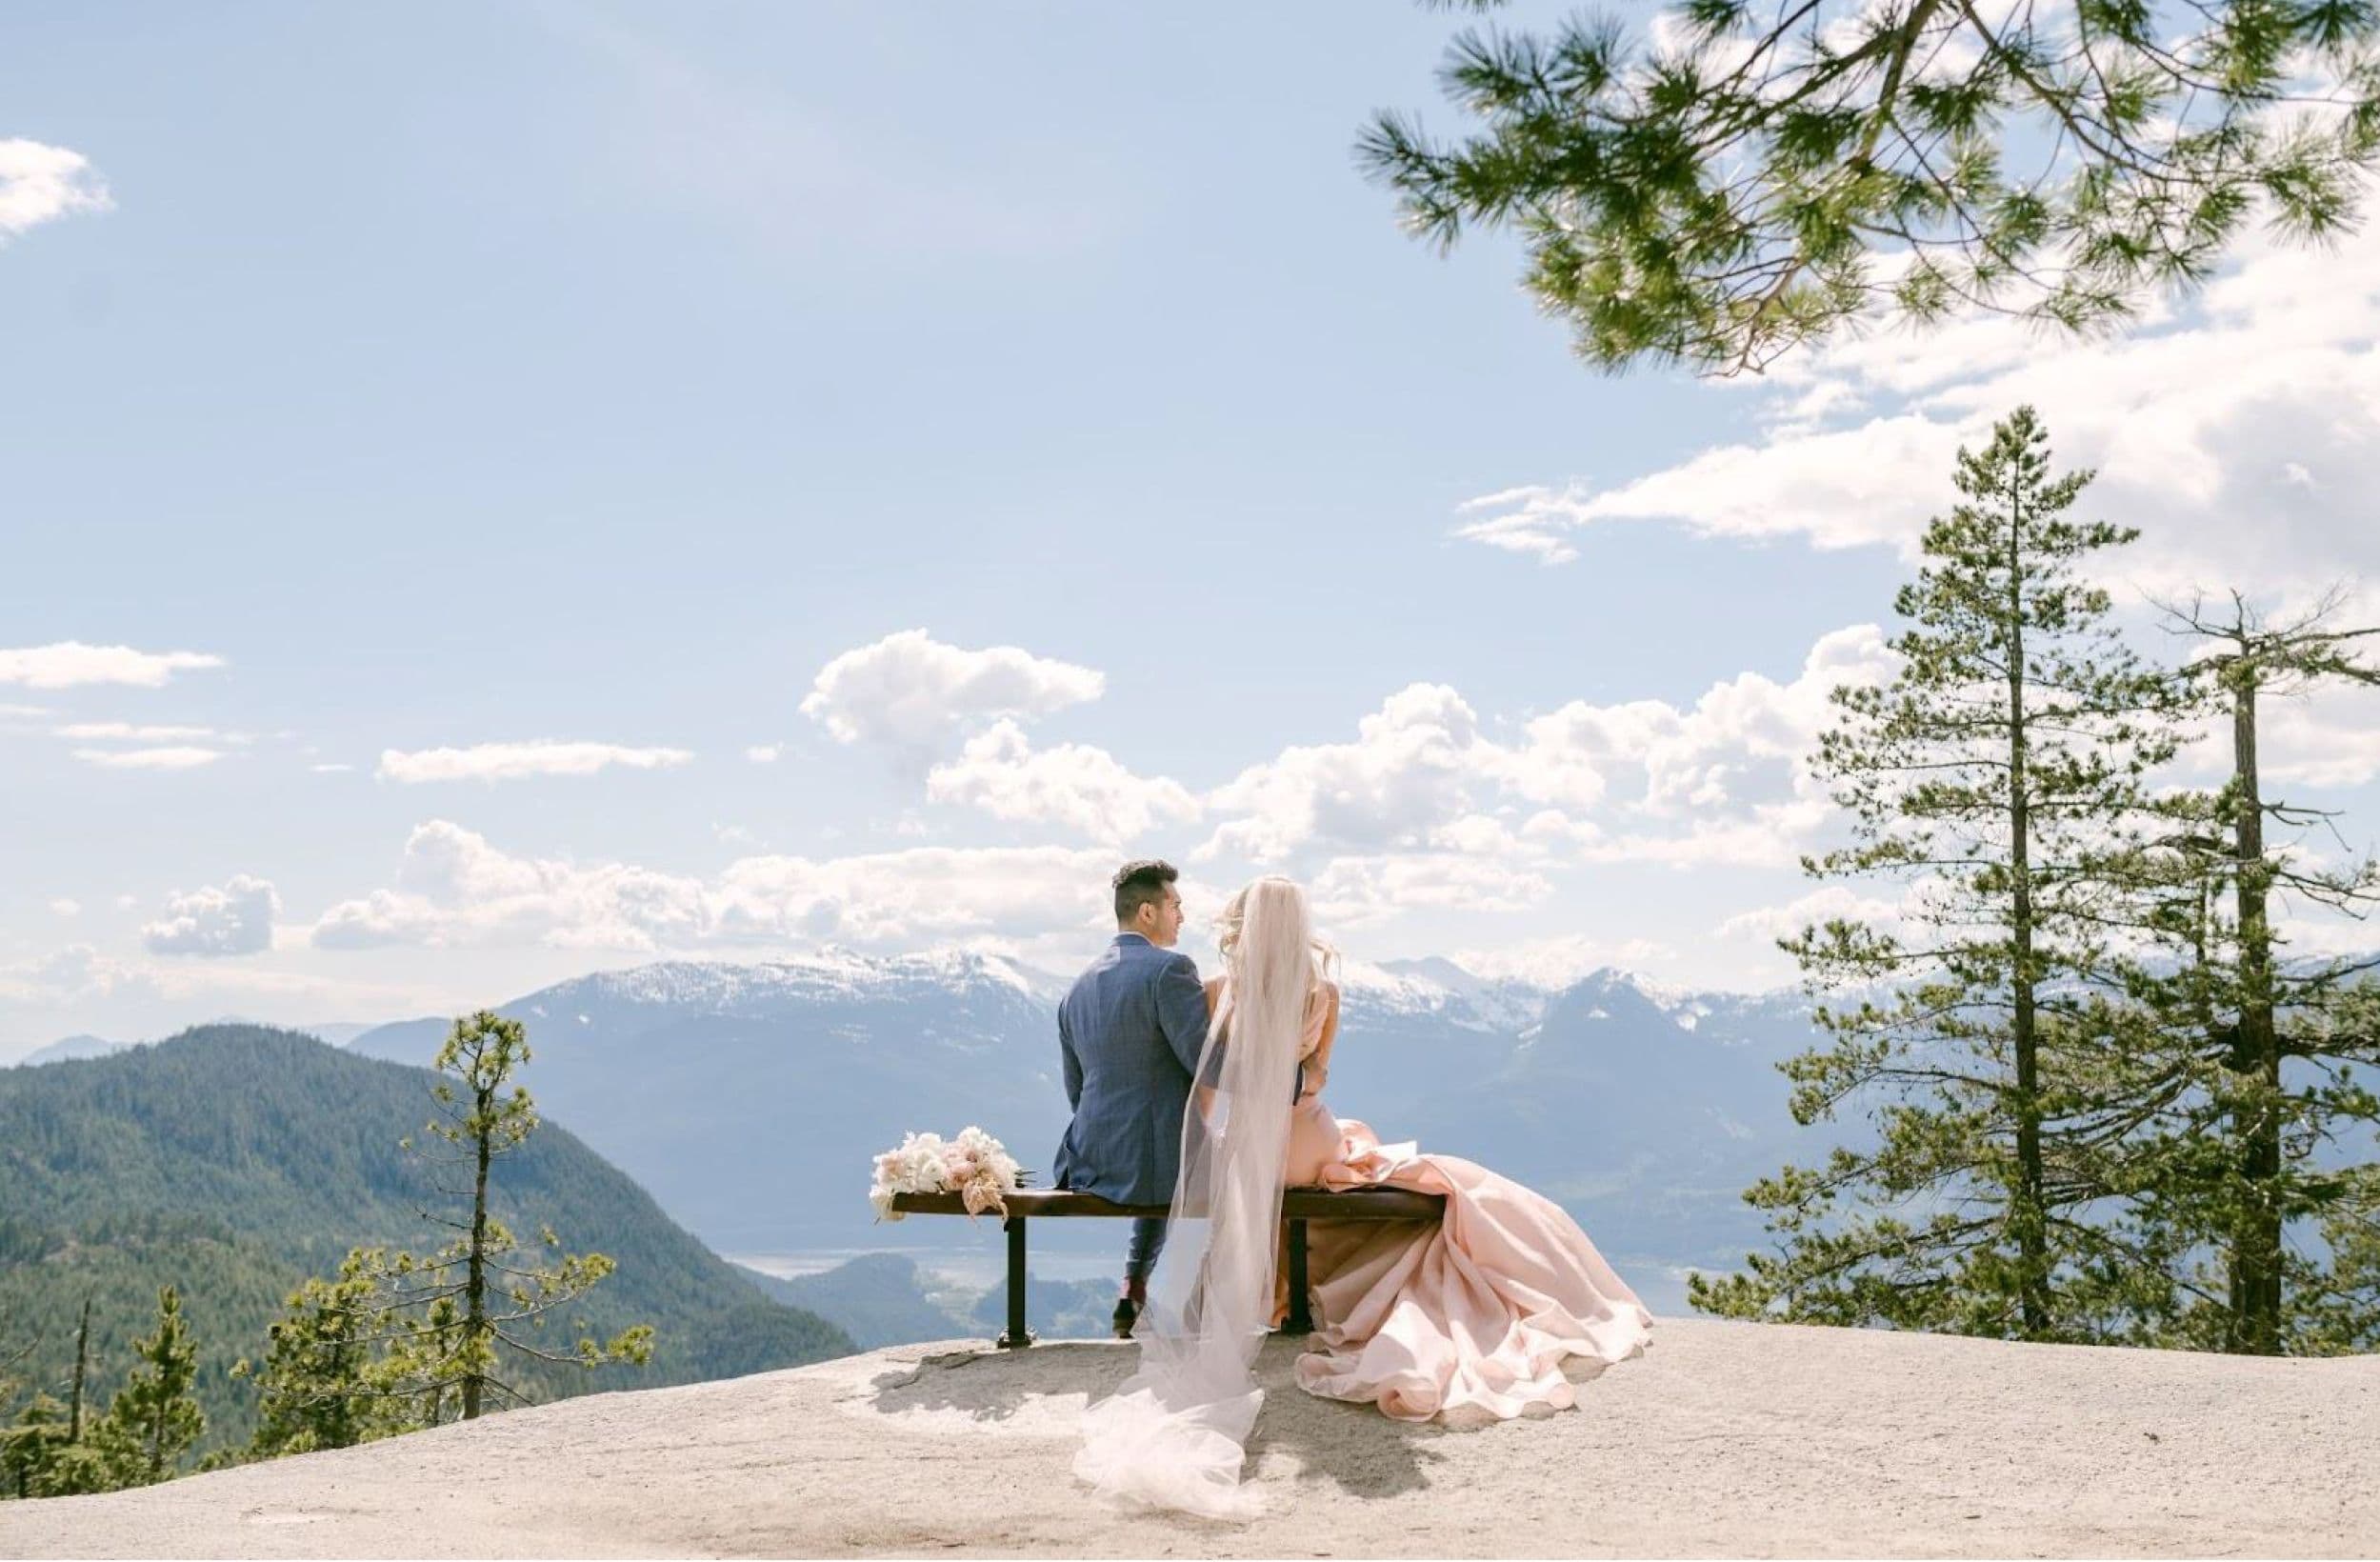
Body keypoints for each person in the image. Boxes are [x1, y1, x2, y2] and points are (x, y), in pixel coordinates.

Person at [1073, 874, 1653, 1519]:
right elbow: (1316, 1079)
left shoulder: (1215, 992)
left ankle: (1285, 1290)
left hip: (1246, 1149)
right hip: (1304, 1143)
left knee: (1328, 1156)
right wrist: (1294, 1083)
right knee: (1371, 1152)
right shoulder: (1322, 993)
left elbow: (1207, 1091)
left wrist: (1236, 1141)